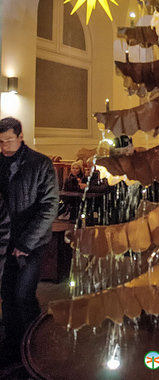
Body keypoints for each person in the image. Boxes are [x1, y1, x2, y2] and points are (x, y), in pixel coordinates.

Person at [0, 117, 59, 364]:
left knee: (23, 294)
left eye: (9, 141)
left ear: (21, 136)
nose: (4, 147)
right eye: (1, 142)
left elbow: (49, 206)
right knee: (7, 294)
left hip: (32, 243)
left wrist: (26, 243)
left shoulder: (40, 163)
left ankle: (35, 345)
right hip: (4, 240)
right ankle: (13, 345)